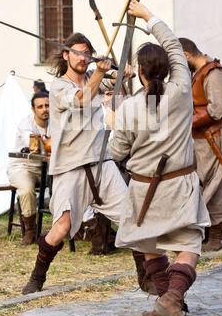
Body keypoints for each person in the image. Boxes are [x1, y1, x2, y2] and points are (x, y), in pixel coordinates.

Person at [106, 1, 210, 316]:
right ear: (168, 68)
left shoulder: (129, 107)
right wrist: (148, 16)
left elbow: (116, 151)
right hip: (178, 186)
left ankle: (169, 298)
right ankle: (171, 298)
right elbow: (175, 47)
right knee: (190, 243)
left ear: (139, 71)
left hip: (144, 188)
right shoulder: (180, 91)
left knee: (149, 244)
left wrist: (115, 121)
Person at [21, 32, 133, 295]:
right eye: (78, 53)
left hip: (101, 163)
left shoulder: (97, 80)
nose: (83, 58)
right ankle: (37, 277)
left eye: (87, 53)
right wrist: (100, 74)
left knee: (133, 219)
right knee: (61, 227)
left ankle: (149, 279)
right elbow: (81, 99)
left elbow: (115, 84)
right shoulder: (59, 87)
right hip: (70, 167)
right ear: (66, 55)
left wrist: (124, 71)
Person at [179, 38, 222, 251]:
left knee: (210, 183)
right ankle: (209, 231)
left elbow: (217, 109)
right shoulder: (200, 72)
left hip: (215, 135)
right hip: (203, 135)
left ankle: (215, 233)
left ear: (185, 54)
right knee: (207, 182)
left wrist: (187, 122)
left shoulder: (213, 73)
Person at [7, 92, 50, 245]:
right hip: (23, 166)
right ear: (33, 109)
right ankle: (30, 229)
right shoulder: (26, 124)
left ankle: (76, 226)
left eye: (47, 105)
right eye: (40, 107)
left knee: (70, 182)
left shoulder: (56, 122)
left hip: (47, 167)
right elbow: (34, 145)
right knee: (26, 188)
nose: (45, 109)